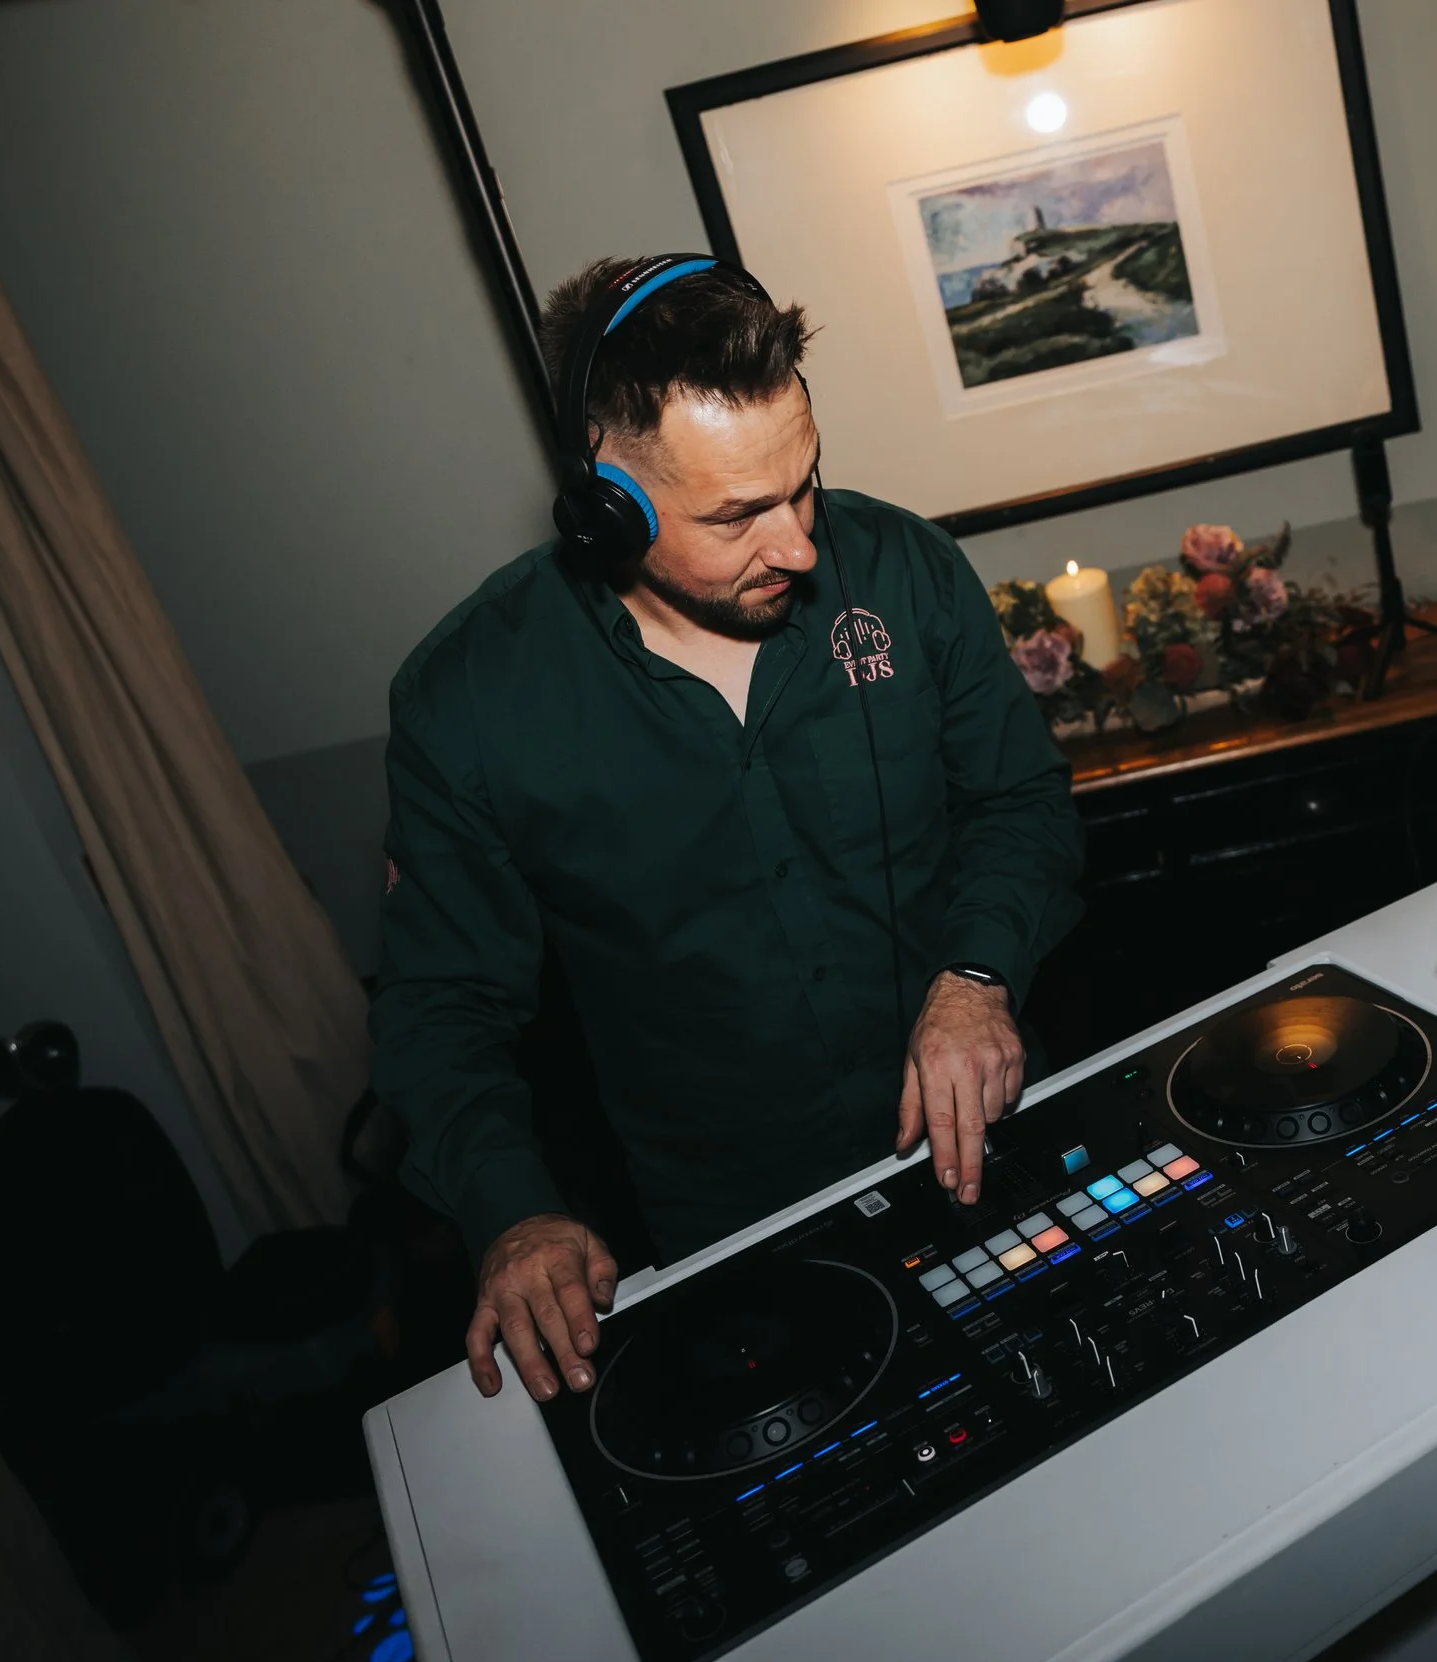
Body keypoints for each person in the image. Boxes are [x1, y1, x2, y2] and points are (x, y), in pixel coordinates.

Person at [371, 257, 1083, 1402]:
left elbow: (1020, 804)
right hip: (727, 1228)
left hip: (995, 1139)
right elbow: (441, 1003)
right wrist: (511, 1210)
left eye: (803, 483)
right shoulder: (469, 697)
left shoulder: (904, 572)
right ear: (605, 498)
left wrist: (976, 973)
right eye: (738, 513)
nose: (799, 542)